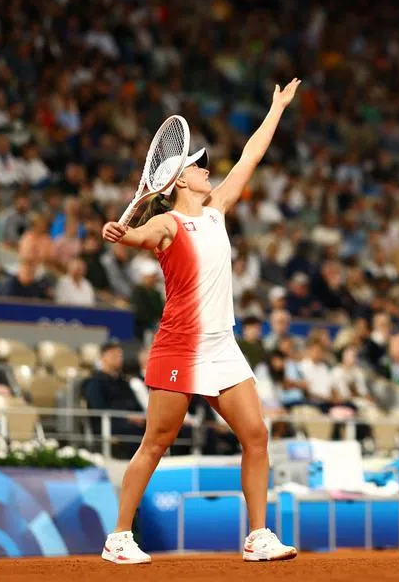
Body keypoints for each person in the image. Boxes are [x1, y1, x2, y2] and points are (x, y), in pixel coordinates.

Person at [98, 79, 301, 565]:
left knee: (256, 435)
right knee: (157, 442)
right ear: (179, 180)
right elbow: (143, 235)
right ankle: (119, 537)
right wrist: (122, 237)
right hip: (179, 346)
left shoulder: (216, 210)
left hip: (222, 347)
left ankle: (258, 536)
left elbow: (251, 155)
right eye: (198, 165)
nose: (208, 169)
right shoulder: (168, 223)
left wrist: (275, 109)